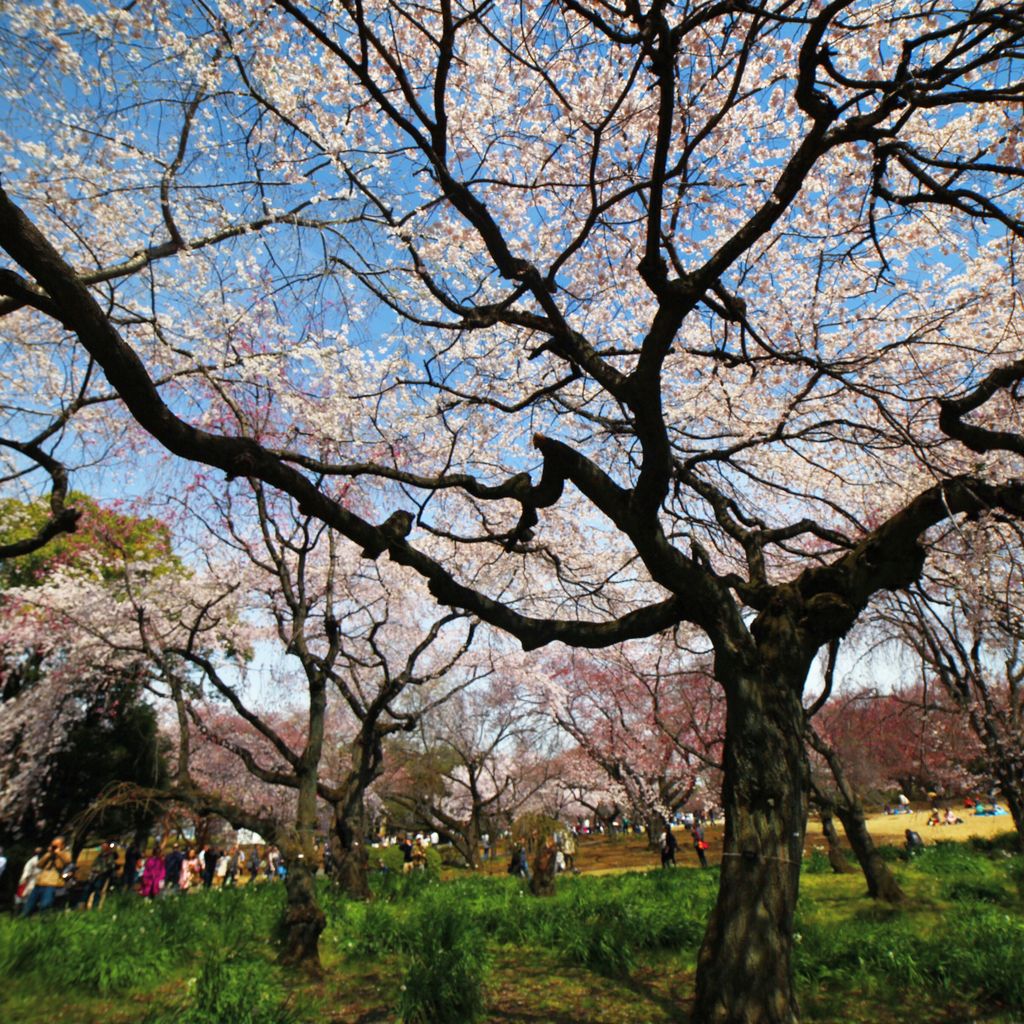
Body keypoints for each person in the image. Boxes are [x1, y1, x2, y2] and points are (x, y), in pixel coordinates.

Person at [21, 836, 71, 916]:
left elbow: (68, 861)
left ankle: (43, 923)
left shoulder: (65, 854)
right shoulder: (48, 854)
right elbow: (39, 865)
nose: (54, 847)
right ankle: (23, 920)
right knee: (28, 906)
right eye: (53, 845)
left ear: (62, 845)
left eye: (57, 845)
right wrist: (48, 854)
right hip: (39, 883)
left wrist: (59, 853)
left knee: (45, 905)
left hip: (52, 884)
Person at [86, 841, 119, 909]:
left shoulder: (110, 855)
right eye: (102, 846)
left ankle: (95, 905)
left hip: (102, 875)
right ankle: (84, 904)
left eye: (104, 846)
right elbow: (95, 864)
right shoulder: (100, 855)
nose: (102, 848)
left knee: (98, 889)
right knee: (89, 889)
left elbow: (111, 865)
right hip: (95, 874)